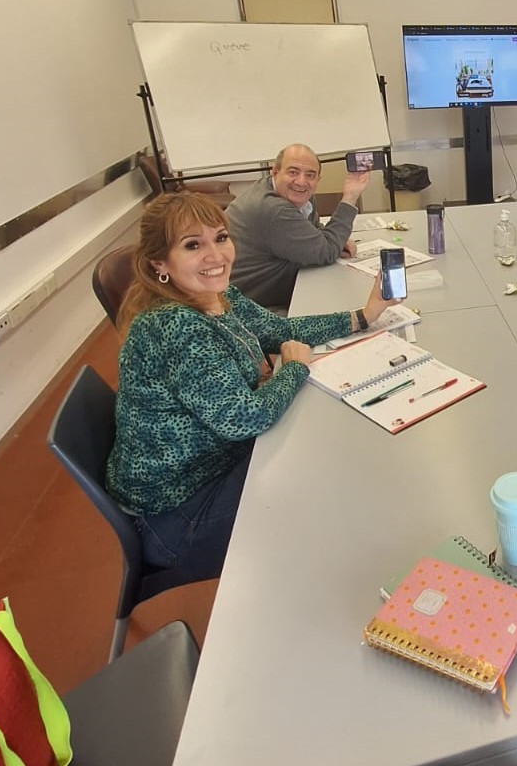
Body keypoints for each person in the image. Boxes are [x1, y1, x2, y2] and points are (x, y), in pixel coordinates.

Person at [107, 193, 399, 580]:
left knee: (323, 458)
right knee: (326, 489)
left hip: (210, 468)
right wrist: (293, 369)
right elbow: (246, 418)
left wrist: (363, 316)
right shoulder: (174, 327)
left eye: (221, 237)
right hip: (177, 516)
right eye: (193, 245)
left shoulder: (215, 296)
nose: (216, 256)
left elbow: (281, 330)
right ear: (159, 263)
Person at [227, 143, 369, 309]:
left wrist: (334, 239)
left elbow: (315, 233)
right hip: (252, 307)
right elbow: (326, 252)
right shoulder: (274, 209)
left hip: (276, 287)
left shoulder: (293, 194)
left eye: (310, 175)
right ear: (275, 172)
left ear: (318, 179)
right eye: (293, 172)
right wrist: (350, 197)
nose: (301, 182)